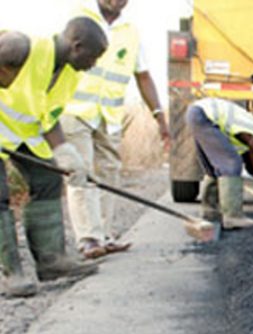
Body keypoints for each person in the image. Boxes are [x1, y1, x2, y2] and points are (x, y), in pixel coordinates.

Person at [0, 18, 108, 297]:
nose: (93, 64)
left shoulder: (69, 74)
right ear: (77, 45)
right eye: (93, 57)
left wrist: (64, 153)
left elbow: (48, 116)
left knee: (48, 180)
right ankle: (12, 274)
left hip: (20, 135)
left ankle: (51, 262)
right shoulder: (19, 47)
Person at [62, 0, 172, 259]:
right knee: (81, 171)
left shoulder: (130, 32)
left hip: (108, 116)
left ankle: (104, 235)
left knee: (109, 174)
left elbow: (143, 76)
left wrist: (160, 117)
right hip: (74, 109)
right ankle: (88, 238)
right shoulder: (78, 17)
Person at [186, 98, 253, 229]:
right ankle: (233, 216)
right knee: (232, 163)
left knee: (214, 167)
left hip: (195, 113)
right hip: (204, 116)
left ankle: (210, 212)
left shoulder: (248, 124)